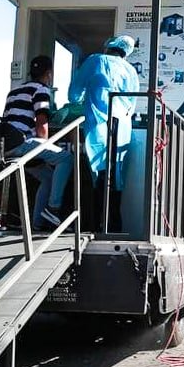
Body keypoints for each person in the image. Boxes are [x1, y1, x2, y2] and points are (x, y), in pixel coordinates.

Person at [68, 35, 140, 230]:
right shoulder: (131, 71)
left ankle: (96, 225)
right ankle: (114, 226)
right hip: (122, 128)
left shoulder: (95, 60)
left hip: (99, 126)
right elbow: (132, 106)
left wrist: (83, 100)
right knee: (116, 178)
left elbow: (74, 95)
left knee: (99, 176)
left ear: (109, 46)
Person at [4, 55, 75, 230]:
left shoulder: (14, 92)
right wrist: (44, 147)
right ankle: (53, 209)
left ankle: (36, 225)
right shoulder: (41, 89)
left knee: (48, 177)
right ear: (49, 74)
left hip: (6, 145)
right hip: (23, 144)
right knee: (66, 158)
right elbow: (41, 121)